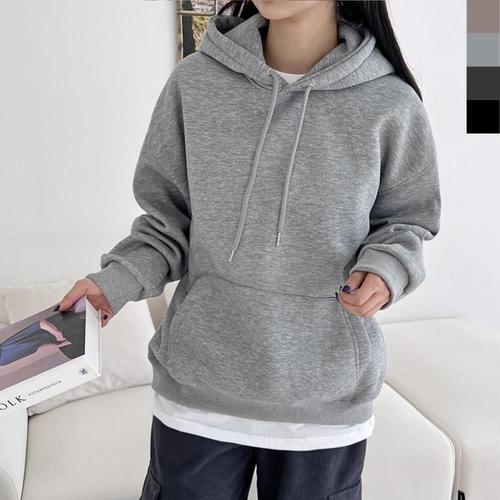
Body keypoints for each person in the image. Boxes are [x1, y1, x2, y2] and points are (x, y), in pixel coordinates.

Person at [57, 1, 441, 498]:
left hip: (322, 402)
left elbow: (406, 223)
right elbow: (169, 224)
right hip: (199, 392)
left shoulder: (390, 103)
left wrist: (386, 269)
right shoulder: (195, 83)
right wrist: (115, 281)